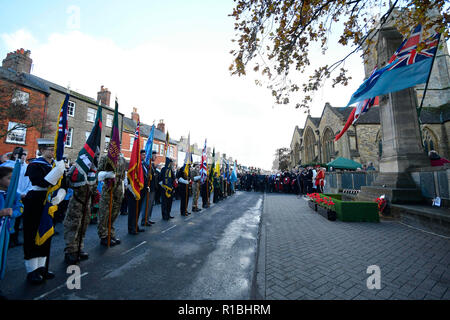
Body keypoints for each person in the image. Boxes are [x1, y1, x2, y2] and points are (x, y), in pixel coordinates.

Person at [22, 139, 67, 285]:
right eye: (49, 148)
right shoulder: (35, 165)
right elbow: (41, 182)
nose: (52, 151)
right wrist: (57, 171)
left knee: (46, 234)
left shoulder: (55, 165)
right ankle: (32, 270)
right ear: (41, 150)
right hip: (35, 201)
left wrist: (60, 197)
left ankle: (42, 267)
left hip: (49, 204)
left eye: (53, 148)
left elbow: (64, 184)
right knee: (33, 234)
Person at [63, 146, 101, 264]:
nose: (96, 158)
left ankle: (79, 248)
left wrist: (95, 195)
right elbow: (67, 182)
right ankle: (70, 251)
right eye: (95, 155)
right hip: (77, 202)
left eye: (97, 156)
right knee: (73, 226)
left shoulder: (94, 170)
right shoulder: (78, 167)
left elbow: (94, 185)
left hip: (87, 203)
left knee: (83, 226)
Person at [1, 147, 32, 248]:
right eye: (22, 154)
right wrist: (17, 192)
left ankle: (14, 238)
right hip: (11, 194)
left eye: (26, 155)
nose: (24, 157)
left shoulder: (27, 167)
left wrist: (25, 192)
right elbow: (12, 182)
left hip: (23, 194)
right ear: (16, 155)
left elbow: (29, 182)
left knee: (18, 216)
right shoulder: (7, 166)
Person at [0, 166, 24, 286]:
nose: (12, 181)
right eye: (9, 178)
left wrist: (12, 213)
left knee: (2, 258)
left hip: (6, 231)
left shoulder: (14, 194)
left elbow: (20, 208)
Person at [97, 154, 127, 247]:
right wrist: (106, 175)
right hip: (108, 190)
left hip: (118, 190)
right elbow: (98, 173)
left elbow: (123, 175)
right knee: (105, 214)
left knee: (114, 213)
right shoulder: (105, 158)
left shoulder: (122, 159)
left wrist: (123, 187)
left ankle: (111, 233)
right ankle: (104, 235)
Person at [141, 151, 157, 226]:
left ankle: (148, 218)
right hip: (149, 188)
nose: (156, 157)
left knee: (150, 205)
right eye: (154, 156)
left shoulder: (153, 165)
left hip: (153, 188)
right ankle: (144, 220)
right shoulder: (147, 165)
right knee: (146, 205)